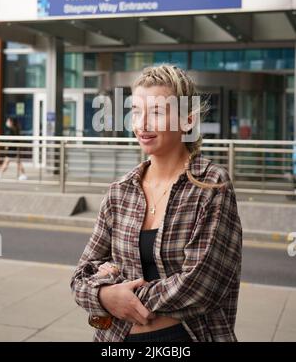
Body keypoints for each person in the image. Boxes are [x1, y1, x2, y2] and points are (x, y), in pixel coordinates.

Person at [70, 64, 243, 342]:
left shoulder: (211, 185)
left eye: (157, 112)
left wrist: (117, 296)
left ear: (187, 120)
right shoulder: (120, 191)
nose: (142, 124)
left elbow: (202, 286)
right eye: (136, 111)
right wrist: (103, 294)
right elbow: (81, 276)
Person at [0, 116, 27, 181]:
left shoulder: (11, 130)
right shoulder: (16, 129)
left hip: (12, 149)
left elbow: (9, 140)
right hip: (14, 149)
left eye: (8, 121)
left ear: (11, 122)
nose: (7, 122)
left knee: (9, 162)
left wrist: (6, 144)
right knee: (15, 162)